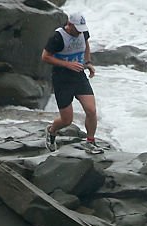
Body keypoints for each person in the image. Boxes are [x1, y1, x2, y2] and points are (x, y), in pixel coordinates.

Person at [41, 12, 103, 154]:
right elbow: (45, 57)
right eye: (77, 29)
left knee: (91, 110)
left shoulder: (83, 32)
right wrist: (66, 64)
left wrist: (88, 63)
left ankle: (90, 142)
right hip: (62, 78)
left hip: (78, 76)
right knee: (67, 120)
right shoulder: (57, 37)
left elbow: (86, 45)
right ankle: (51, 131)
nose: (80, 32)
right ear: (69, 25)